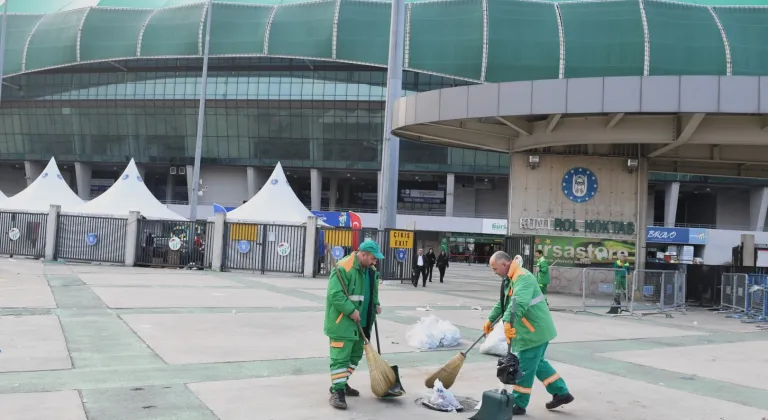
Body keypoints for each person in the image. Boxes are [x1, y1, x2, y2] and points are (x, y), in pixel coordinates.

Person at [483, 251, 574, 416]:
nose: (494, 272)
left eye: (495, 268)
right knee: (537, 363)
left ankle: (519, 404)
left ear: (505, 264)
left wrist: (508, 322)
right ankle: (561, 393)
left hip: (533, 332)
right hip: (534, 330)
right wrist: (490, 320)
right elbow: (503, 302)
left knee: (524, 368)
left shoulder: (523, 278)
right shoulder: (511, 278)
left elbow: (519, 304)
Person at [324, 239, 385, 410]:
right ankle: (337, 392)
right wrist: (351, 310)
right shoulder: (344, 267)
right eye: (373, 258)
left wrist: (376, 303)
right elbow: (335, 295)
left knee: (355, 356)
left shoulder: (370, 271)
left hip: (363, 323)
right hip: (342, 323)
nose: (375, 262)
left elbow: (370, 292)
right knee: (340, 358)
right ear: (363, 255)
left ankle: (341, 382)